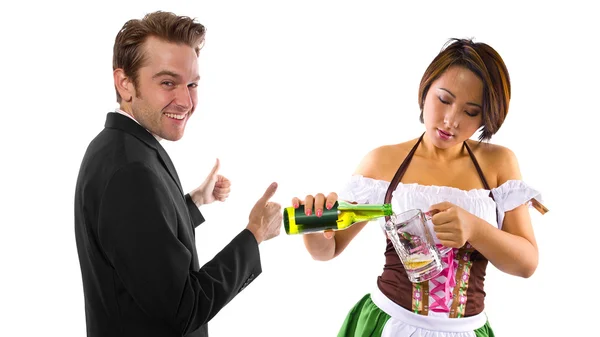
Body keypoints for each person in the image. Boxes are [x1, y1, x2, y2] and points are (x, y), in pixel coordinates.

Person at [292, 38, 548, 336]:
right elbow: (329, 249)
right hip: (389, 324)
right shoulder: (383, 162)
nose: (451, 120)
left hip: (468, 329)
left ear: (486, 116)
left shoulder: (499, 163)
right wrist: (313, 230)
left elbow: (527, 264)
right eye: (444, 99)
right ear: (425, 90)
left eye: (471, 112)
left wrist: (475, 229)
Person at [74, 11, 283, 337]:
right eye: (168, 82)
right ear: (125, 83)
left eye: (192, 84)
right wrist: (253, 234)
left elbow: (141, 241)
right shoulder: (131, 170)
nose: (186, 101)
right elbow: (183, 309)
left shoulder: (122, 145)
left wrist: (195, 203)